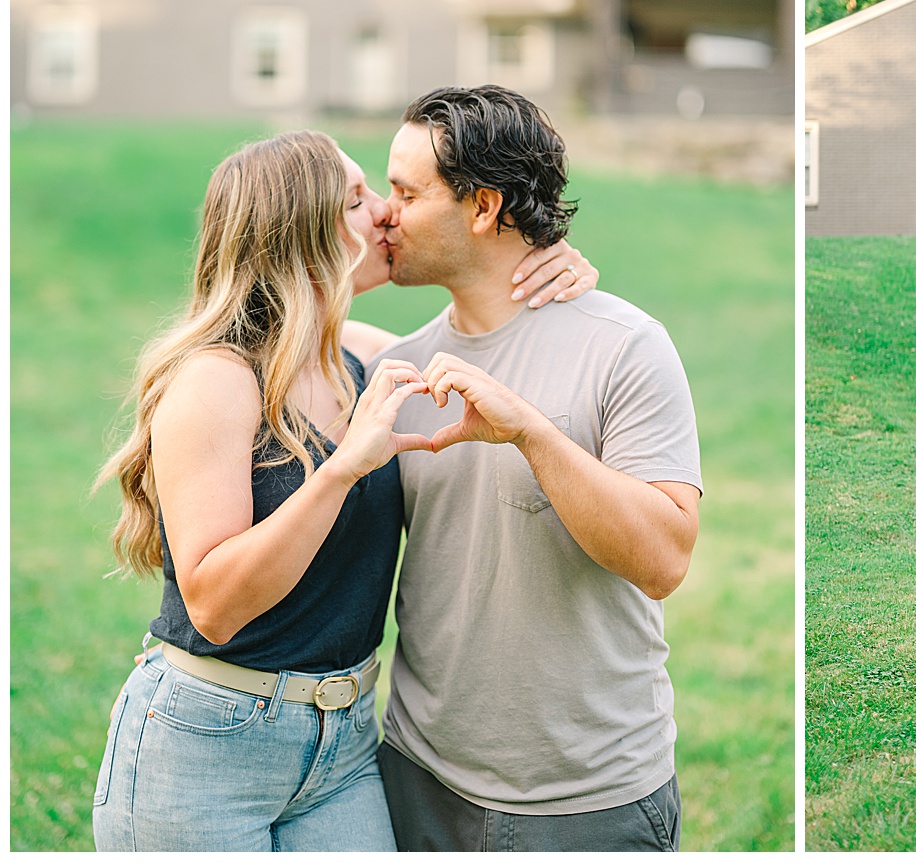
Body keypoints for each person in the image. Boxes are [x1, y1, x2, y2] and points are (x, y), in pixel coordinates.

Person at [90, 129, 596, 851]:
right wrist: (341, 469)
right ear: (303, 231)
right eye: (359, 199)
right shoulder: (217, 382)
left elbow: (489, 341)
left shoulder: (361, 355)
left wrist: (546, 268)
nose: (388, 214)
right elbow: (213, 604)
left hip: (346, 744)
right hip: (207, 743)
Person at [370, 86, 702, 852]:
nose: (387, 213)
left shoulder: (624, 346)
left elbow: (664, 559)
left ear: (484, 207)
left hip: (590, 802)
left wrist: (532, 435)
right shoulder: (393, 370)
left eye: (406, 193)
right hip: (419, 784)